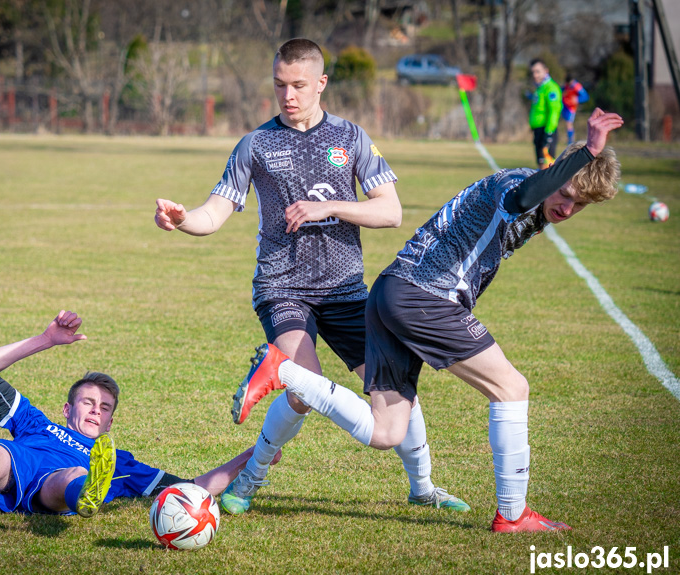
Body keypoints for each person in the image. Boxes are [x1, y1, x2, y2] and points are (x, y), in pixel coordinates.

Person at [234, 108, 623, 532]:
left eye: (579, 204)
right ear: (555, 174)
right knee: (511, 388)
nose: (568, 207)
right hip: (425, 298)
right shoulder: (516, 186)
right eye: (565, 193)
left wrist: (577, 173)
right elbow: (527, 195)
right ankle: (513, 515)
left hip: (389, 293)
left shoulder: (535, 197)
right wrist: (588, 151)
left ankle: (287, 373)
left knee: (386, 432)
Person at [155, 38, 468, 516]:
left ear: (321, 83)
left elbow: (391, 212)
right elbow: (214, 214)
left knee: (396, 390)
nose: (288, 95)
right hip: (282, 288)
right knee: (303, 387)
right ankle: (251, 479)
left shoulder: (352, 137)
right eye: (280, 85)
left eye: (299, 85)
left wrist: (331, 206)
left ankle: (423, 487)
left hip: (346, 291)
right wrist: (182, 219)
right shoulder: (255, 145)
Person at [0, 310, 276, 528]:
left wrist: (254, 453)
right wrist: (46, 340)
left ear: (110, 424)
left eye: (105, 407)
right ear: (67, 410)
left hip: (56, 485)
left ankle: (87, 494)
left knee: (74, 475)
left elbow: (193, 488)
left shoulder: (120, 463)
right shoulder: (36, 423)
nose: (96, 410)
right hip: (19, 462)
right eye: (88, 402)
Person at [529, 59, 563, 169]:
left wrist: (549, 131)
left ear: (546, 71)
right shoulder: (540, 89)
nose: (535, 75)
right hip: (538, 130)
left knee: (547, 165)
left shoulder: (551, 88)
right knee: (540, 163)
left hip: (546, 130)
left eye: (538, 71)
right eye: (533, 72)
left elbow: (554, 110)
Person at [562, 75, 589, 145]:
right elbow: (562, 90)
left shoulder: (577, 86)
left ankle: (570, 141)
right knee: (566, 124)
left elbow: (586, 96)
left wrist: (577, 99)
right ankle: (569, 140)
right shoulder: (566, 85)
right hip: (564, 106)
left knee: (569, 124)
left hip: (571, 108)